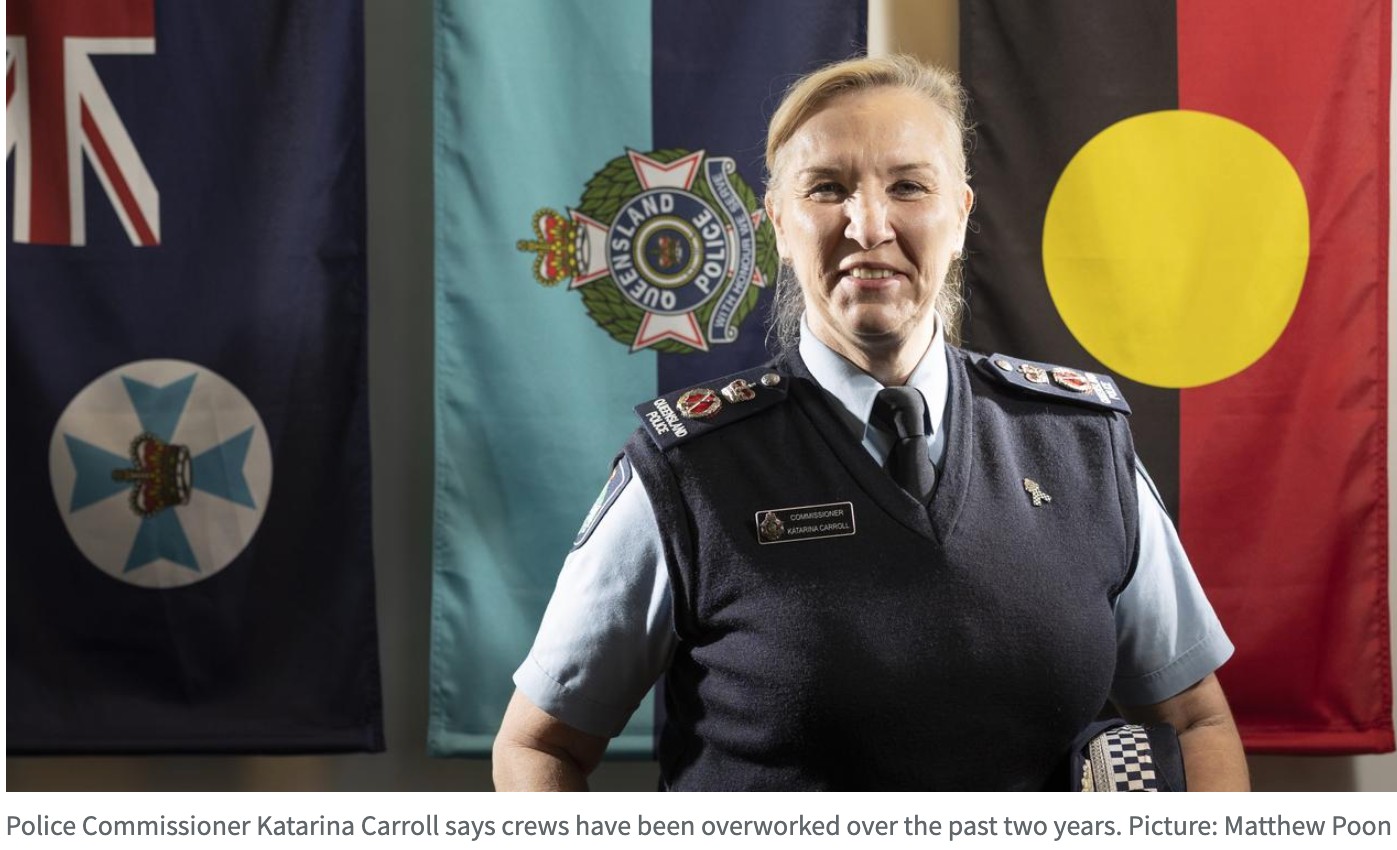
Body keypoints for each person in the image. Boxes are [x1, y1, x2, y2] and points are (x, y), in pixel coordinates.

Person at [493, 55, 1249, 791]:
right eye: (827, 189)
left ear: (961, 215)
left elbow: (1197, 721)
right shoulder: (688, 470)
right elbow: (538, 745)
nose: (868, 225)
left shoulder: (1082, 445)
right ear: (779, 225)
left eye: (908, 186)